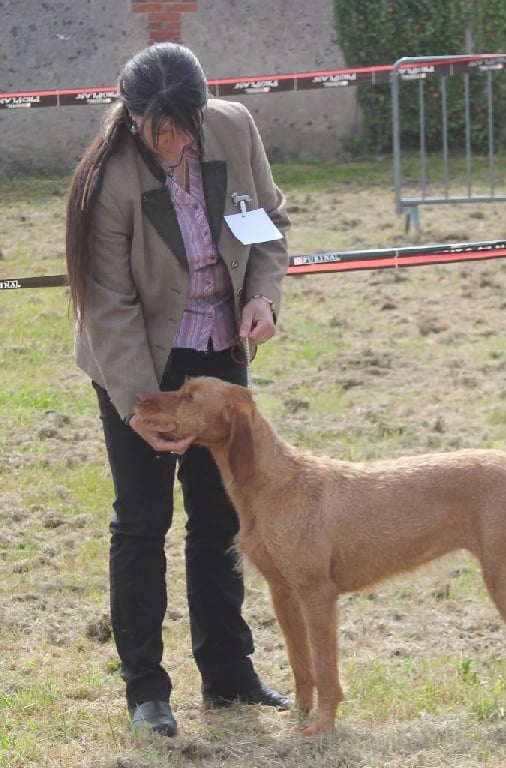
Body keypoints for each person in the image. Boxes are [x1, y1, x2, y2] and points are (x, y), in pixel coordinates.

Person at [65, 43, 291, 737]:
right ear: (132, 118)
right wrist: (141, 404)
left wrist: (262, 298)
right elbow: (108, 305)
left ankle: (228, 674)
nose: (172, 142)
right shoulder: (109, 184)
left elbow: (269, 226)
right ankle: (146, 691)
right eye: (156, 129)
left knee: (222, 518)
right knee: (141, 521)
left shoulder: (232, 128)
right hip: (140, 360)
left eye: (181, 126)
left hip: (218, 352)